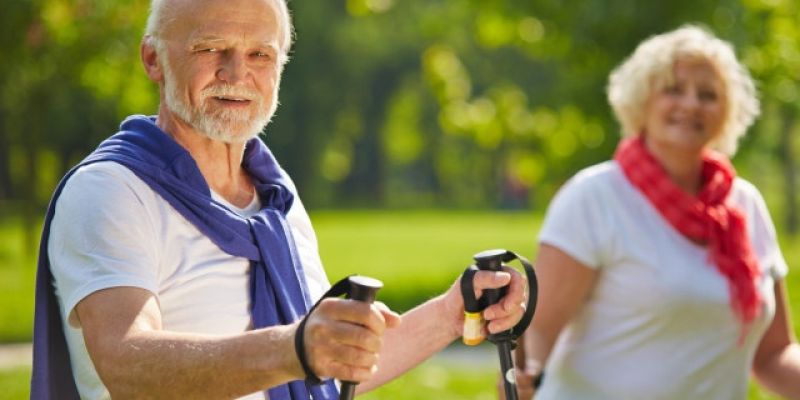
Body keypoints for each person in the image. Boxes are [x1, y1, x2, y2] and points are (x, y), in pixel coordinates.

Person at [30, 0, 528, 398]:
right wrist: (293, 348)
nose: (236, 72)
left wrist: (452, 310)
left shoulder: (274, 201)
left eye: (259, 54)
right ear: (153, 59)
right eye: (210, 48)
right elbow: (127, 364)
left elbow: (324, 369)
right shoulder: (111, 190)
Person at [509, 25, 800, 399]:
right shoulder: (595, 197)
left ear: (728, 113)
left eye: (708, 95)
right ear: (641, 101)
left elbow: (774, 355)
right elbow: (538, 330)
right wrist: (525, 377)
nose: (691, 104)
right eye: (673, 89)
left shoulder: (746, 206)